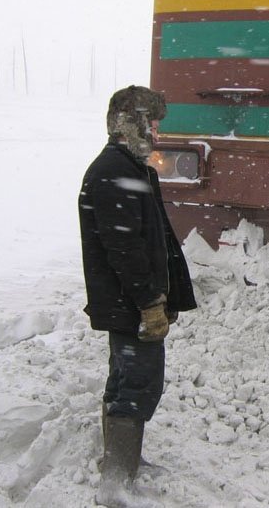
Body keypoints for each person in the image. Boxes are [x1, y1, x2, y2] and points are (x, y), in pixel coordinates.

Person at [78, 85, 197, 507]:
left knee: (126, 378)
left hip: (129, 300)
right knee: (138, 382)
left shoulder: (131, 166)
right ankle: (115, 479)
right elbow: (123, 248)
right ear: (132, 123)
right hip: (129, 302)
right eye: (154, 122)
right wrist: (149, 302)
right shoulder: (115, 170)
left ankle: (124, 460)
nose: (159, 132)